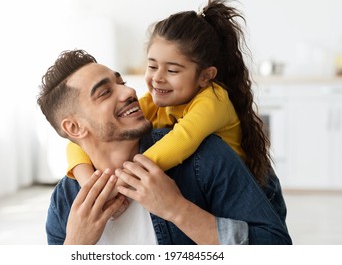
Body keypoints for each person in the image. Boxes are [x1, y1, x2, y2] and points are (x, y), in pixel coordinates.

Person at [37, 49, 291, 244]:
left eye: (121, 82)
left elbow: (277, 246)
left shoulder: (204, 158)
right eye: (104, 93)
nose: (128, 92)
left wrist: (178, 210)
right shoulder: (65, 203)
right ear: (74, 128)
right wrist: (75, 247)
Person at [65, 0, 272, 219]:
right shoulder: (155, 103)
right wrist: (89, 184)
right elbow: (81, 139)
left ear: (205, 76)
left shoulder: (214, 99)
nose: (158, 78)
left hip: (246, 196)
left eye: (172, 70)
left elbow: (181, 140)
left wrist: (118, 185)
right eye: (152, 66)